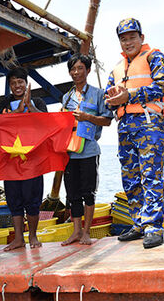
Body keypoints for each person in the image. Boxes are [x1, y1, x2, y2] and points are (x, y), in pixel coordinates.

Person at [105, 18, 164, 249]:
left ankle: (154, 227)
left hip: (148, 124)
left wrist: (129, 96)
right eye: (123, 39)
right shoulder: (116, 68)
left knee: (151, 175)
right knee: (131, 178)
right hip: (125, 128)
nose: (128, 42)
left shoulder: (154, 57)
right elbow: (107, 98)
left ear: (141, 38)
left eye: (132, 37)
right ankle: (138, 223)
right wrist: (113, 99)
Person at [60, 54, 113, 246]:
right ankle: (76, 232)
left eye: (80, 68)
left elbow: (107, 120)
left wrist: (87, 117)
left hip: (89, 151)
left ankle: (87, 232)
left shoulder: (99, 94)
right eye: (73, 69)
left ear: (88, 70)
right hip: (69, 153)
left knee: (88, 193)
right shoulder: (66, 98)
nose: (76, 72)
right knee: (72, 194)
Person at [0, 67, 47, 251]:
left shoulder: (38, 101)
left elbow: (47, 122)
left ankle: (33, 236)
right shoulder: (4, 105)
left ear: (26, 83)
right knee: (14, 199)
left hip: (33, 160)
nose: (17, 86)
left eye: (20, 82)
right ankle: (18, 238)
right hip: (10, 161)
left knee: (32, 200)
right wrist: (17, 111)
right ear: (10, 86)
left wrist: (30, 107)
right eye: (13, 83)